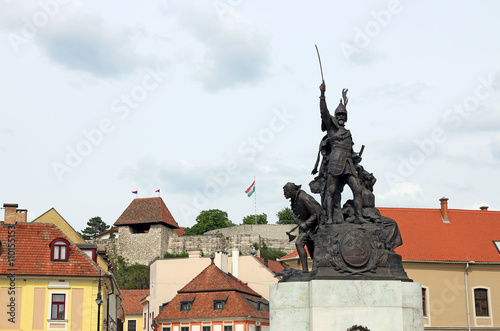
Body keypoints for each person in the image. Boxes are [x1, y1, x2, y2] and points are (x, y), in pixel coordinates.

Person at [319, 82, 364, 224]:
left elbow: (350, 151)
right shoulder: (331, 129)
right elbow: (324, 113)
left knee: (357, 190)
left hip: (348, 163)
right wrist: (322, 95)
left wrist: (355, 156)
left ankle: (359, 216)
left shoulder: (348, 133)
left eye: (343, 115)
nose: (341, 117)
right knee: (331, 191)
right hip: (336, 162)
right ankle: (330, 218)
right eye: (338, 114)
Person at [283, 182, 322, 272]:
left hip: (313, 226)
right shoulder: (294, 199)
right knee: (311, 250)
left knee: (299, 243)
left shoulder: (303, 198)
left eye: (286, 192)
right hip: (305, 227)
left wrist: (306, 224)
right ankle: (314, 270)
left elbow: (315, 214)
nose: (285, 194)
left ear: (292, 191)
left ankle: (305, 270)